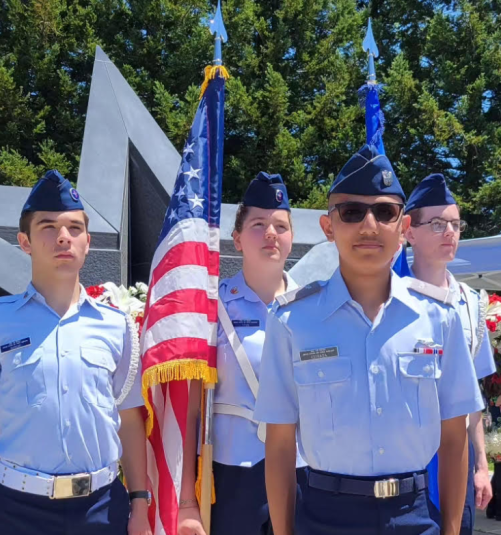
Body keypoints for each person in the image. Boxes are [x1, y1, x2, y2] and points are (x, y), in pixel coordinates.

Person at [253, 145, 484, 535]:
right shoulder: (292, 320)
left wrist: (451, 531)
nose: (369, 225)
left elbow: (454, 435)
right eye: (352, 212)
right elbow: (278, 443)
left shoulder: (438, 316)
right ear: (329, 227)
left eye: (384, 212)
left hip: (413, 515)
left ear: (402, 227)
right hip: (325, 515)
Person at [0, 170, 151, 535]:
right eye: (48, 226)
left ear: (87, 242)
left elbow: (129, 417)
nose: (63, 237)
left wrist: (139, 502)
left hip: (102, 507)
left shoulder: (118, 326)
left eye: (74, 228)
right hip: (19, 511)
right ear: (25, 242)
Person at [177, 172, 305, 535]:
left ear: (291, 238)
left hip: (301, 471)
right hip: (232, 474)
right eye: (258, 224)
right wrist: (187, 498)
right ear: (236, 239)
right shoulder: (211, 307)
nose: (270, 234)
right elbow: (192, 411)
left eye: (280, 225)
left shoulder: (312, 308)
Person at [405, 173, 495, 534]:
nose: (450, 232)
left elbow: (471, 398)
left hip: (457, 461)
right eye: (438, 223)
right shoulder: (390, 300)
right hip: (407, 463)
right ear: (409, 231)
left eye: (456, 224)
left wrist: (481, 465)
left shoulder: (471, 305)